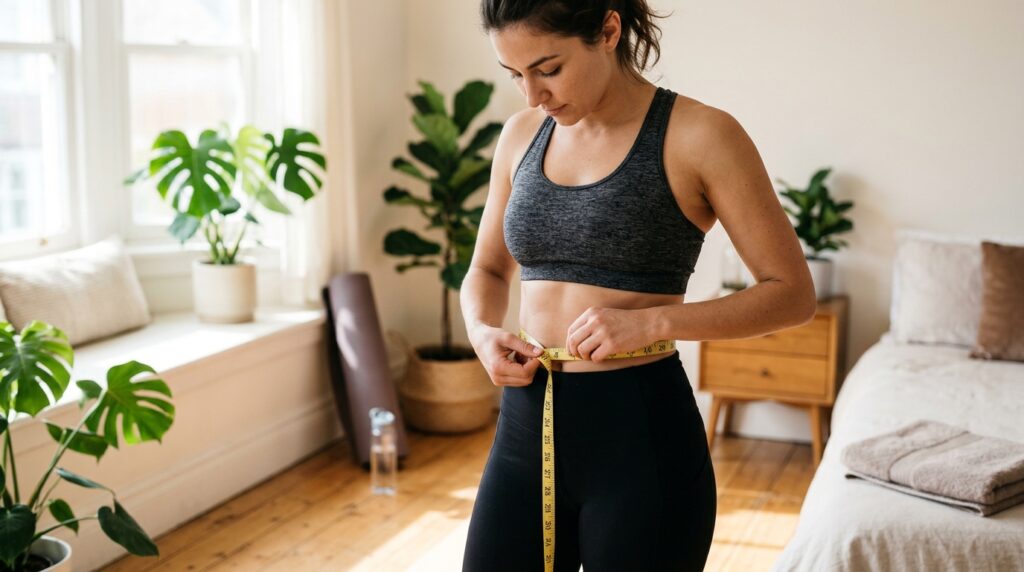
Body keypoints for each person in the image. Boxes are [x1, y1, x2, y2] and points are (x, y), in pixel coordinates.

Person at [460, 1, 817, 570]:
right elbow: (487, 268)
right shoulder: (521, 135)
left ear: (607, 30)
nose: (533, 96)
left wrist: (653, 322)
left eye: (548, 69)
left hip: (641, 443)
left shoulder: (700, 135)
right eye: (516, 75)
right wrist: (481, 331)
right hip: (525, 431)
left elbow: (792, 293)